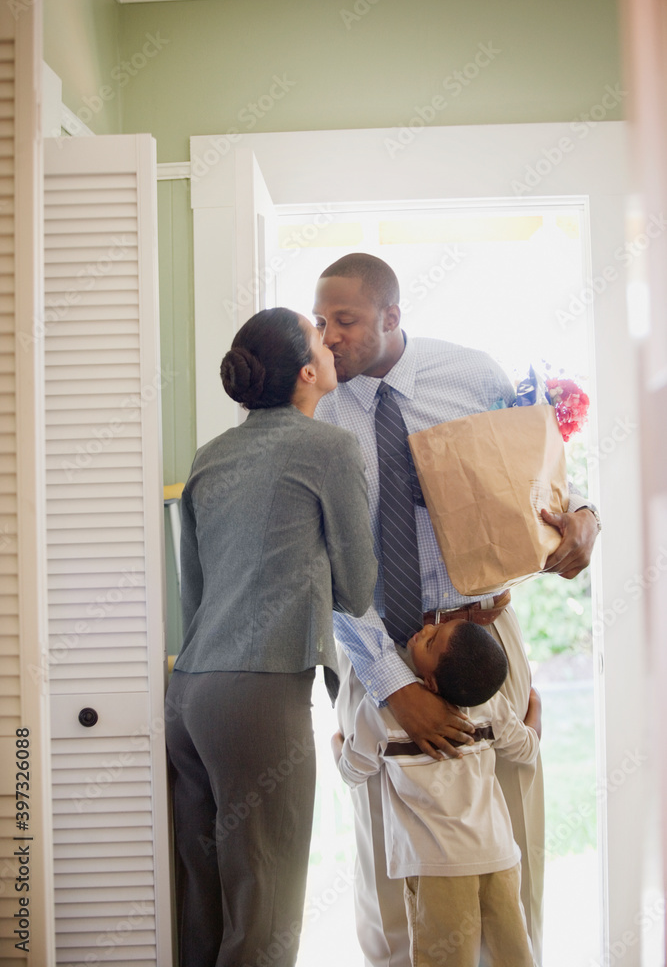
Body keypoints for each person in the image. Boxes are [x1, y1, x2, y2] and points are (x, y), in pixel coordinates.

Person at [313, 253, 601, 967]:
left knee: (511, 824)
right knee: (387, 856)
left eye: (343, 321)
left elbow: (536, 482)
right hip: (371, 640)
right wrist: (394, 686)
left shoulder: (471, 374)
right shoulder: (313, 405)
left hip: (478, 638)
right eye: (319, 322)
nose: (328, 337)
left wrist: (585, 517)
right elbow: (322, 565)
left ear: (390, 317)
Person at [165, 307, 377, 967]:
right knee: (267, 902)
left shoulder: (211, 455)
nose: (331, 338)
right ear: (308, 372)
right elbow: (357, 589)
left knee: (204, 898)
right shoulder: (327, 449)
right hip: (259, 696)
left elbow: (193, 595)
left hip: (190, 693)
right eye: (320, 335)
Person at [332, 618, 542, 967]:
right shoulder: (490, 707)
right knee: (513, 957)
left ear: (430, 681)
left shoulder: (384, 711)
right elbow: (526, 749)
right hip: (499, 859)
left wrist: (336, 744)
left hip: (435, 870)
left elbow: (354, 771)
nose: (426, 628)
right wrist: (536, 709)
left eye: (430, 642)